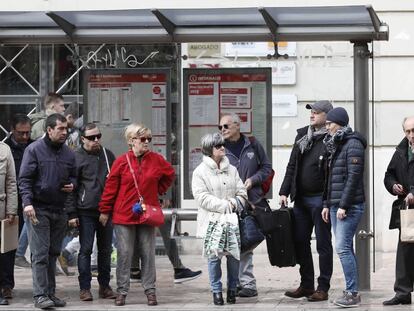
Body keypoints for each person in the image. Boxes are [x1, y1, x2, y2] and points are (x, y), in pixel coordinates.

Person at [99, 123, 175, 307]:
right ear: (132, 141)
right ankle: (122, 291)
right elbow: (110, 188)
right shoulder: (121, 161)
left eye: (149, 138)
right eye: (143, 139)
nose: (147, 142)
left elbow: (170, 174)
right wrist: (104, 210)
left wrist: (159, 191)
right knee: (125, 253)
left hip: (147, 213)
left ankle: (150, 291)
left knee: (148, 253)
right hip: (124, 214)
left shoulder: (156, 159)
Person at [19, 113, 77, 309]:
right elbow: (25, 179)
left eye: (66, 129)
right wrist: (27, 203)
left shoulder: (69, 153)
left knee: (53, 253)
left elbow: (75, 176)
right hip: (38, 209)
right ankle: (40, 296)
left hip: (59, 210)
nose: (64, 132)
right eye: (60, 129)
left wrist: (73, 185)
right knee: (40, 254)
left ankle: (50, 294)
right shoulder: (33, 150)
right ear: (49, 130)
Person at [280, 101, 333, 301]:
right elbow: (292, 165)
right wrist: (284, 191)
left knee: (323, 245)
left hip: (321, 200)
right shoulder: (302, 135)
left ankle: (323, 287)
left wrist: (328, 201)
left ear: (327, 116)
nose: (312, 114)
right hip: (300, 200)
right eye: (311, 111)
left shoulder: (331, 138)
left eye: (317, 112)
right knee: (300, 241)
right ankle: (307, 285)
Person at [219, 113, 272, 297]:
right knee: (230, 243)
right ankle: (234, 283)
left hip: (251, 202)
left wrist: (253, 179)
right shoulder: (220, 148)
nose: (222, 130)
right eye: (220, 127)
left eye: (226, 126)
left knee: (247, 240)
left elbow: (266, 168)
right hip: (229, 203)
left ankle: (248, 283)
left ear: (237, 126)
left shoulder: (253, 144)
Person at [192, 132, 247, 306]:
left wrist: (234, 203)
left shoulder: (232, 169)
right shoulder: (199, 172)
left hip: (231, 221)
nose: (222, 147)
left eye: (223, 144)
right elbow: (201, 197)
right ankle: (216, 292)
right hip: (212, 221)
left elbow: (242, 192)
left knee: (233, 257)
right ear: (209, 150)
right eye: (218, 146)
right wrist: (224, 205)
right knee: (214, 259)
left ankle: (232, 290)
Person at [321, 107, 366, 308]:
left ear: (339, 123)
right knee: (345, 247)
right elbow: (330, 179)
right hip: (335, 205)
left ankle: (352, 294)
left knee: (342, 248)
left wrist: (343, 205)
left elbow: (353, 178)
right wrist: (326, 204)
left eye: (329, 123)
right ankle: (351, 290)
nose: (327, 127)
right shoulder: (336, 144)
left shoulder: (353, 143)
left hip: (349, 206)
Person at [66, 123, 116, 301]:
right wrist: (72, 214)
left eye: (98, 136)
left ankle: (105, 286)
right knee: (85, 249)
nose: (96, 140)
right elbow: (71, 188)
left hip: (106, 210)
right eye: (92, 137)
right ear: (82, 139)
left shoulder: (107, 154)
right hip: (85, 210)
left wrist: (110, 208)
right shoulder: (75, 157)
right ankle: (85, 288)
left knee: (105, 249)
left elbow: (115, 182)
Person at [383, 116, 414, 306]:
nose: (411, 135)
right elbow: (389, 174)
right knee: (404, 252)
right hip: (408, 210)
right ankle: (403, 293)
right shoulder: (401, 150)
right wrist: (393, 185)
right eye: (408, 131)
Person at [130, 204, 202, 284]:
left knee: (136, 231)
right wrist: (164, 199)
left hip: (138, 204)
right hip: (152, 204)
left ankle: (134, 270)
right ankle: (178, 269)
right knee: (167, 230)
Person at [4, 114, 34, 273]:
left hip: (32, 201)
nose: (24, 136)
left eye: (27, 133)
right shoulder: (5, 149)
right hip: (12, 202)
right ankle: (7, 284)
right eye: (20, 133)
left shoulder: (35, 146)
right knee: (8, 246)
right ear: (12, 131)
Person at [0, 142, 18, 306]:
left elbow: (12, 182)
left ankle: (3, 288)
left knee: (2, 252)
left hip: (1, 207)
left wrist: (11, 208)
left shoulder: (5, 150)